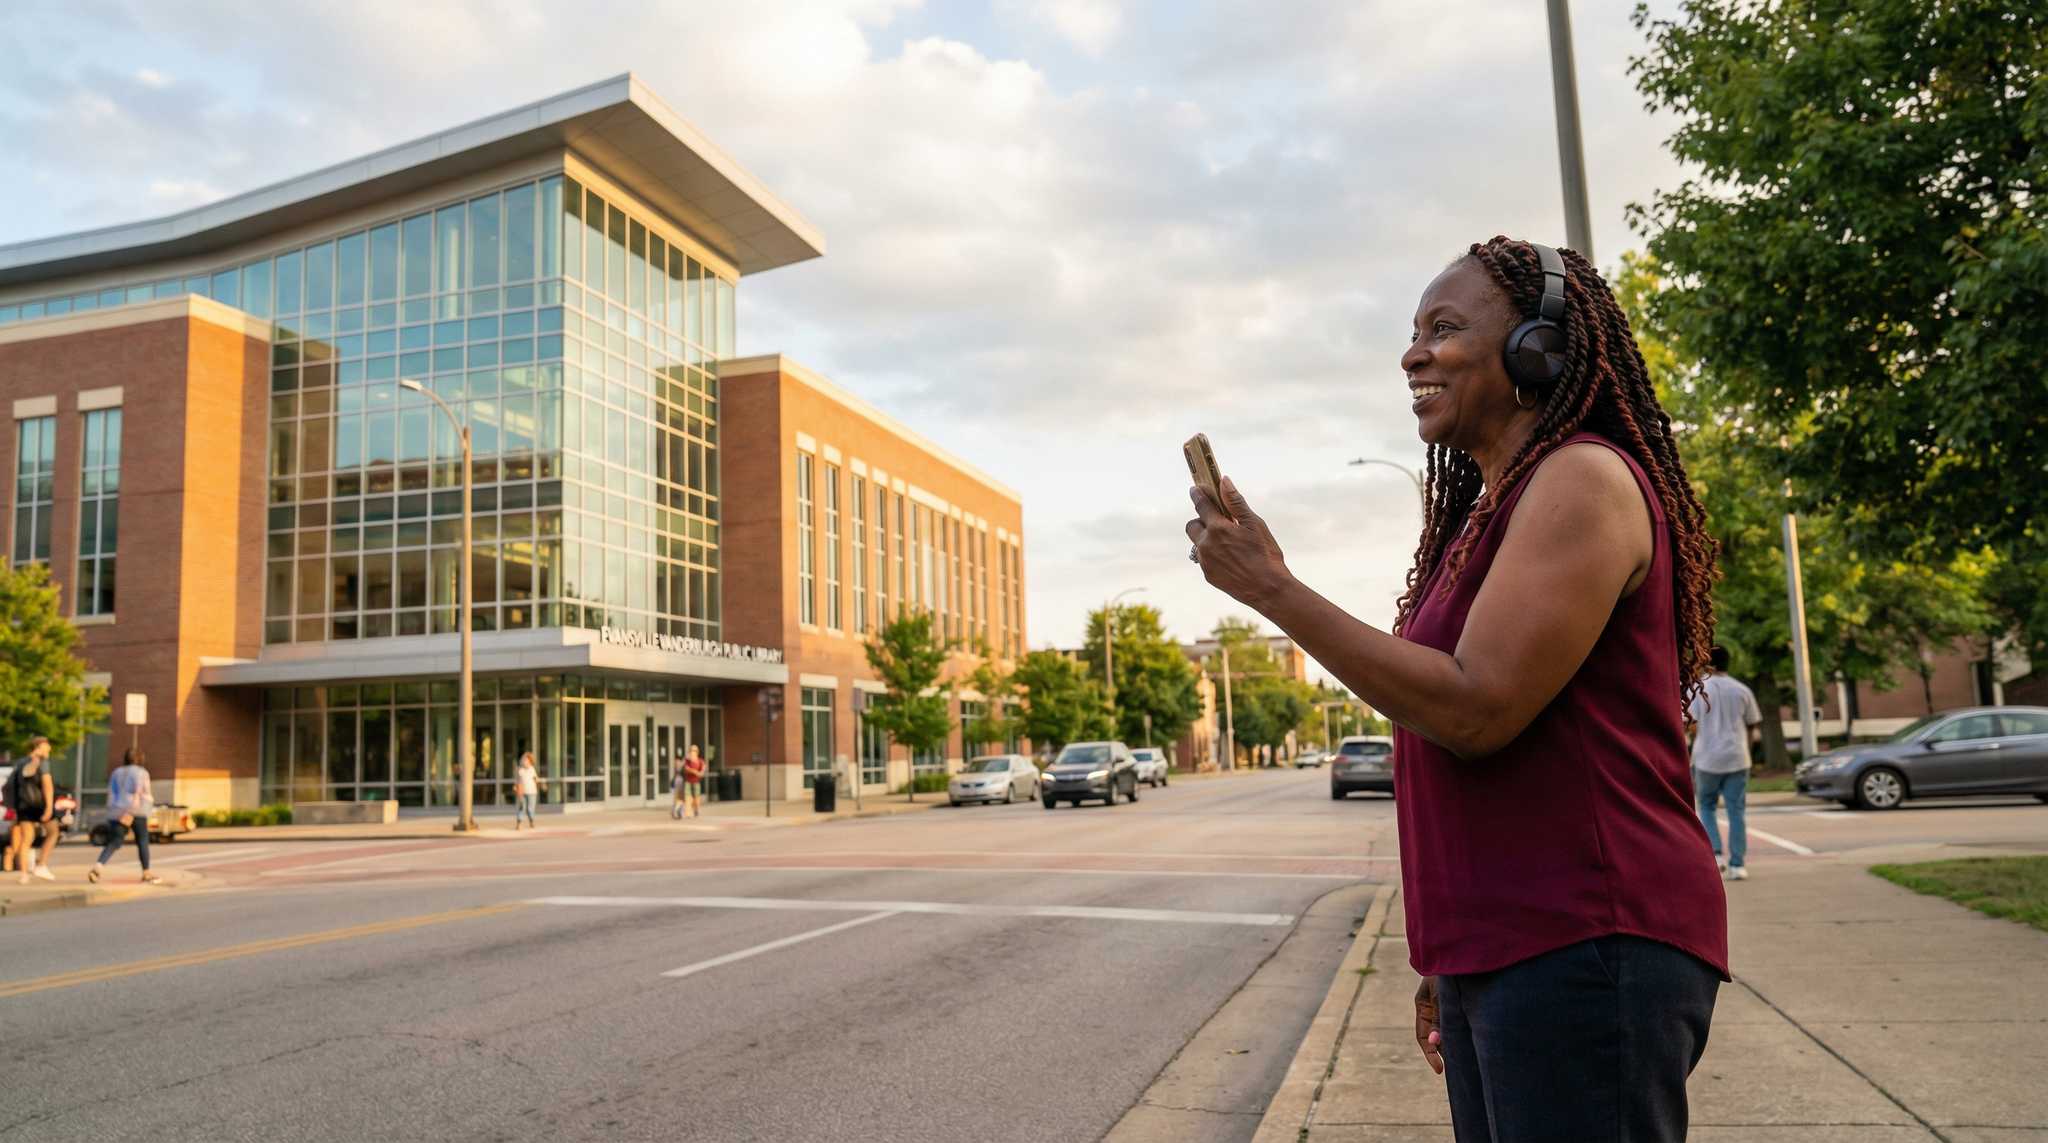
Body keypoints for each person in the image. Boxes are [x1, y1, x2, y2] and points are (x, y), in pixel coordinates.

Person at [1187, 237, 1728, 1142]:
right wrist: (1446, 951)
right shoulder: (1490, 514)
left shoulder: (1583, 479)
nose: (1413, 353)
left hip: (1589, 934)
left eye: (1444, 329)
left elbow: (1475, 707)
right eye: (1412, 332)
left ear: (1539, 347)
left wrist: (1272, 588)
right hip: (1510, 947)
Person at [1688, 645, 1763, 881]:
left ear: (1707, 663)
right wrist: (1747, 751)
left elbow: (1689, 723)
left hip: (1707, 757)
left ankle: (1716, 855)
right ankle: (1738, 865)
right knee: (1736, 810)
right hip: (1738, 757)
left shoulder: (1698, 689)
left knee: (1707, 807)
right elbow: (1752, 725)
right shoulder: (1742, 690)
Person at [88, 748, 161, 885]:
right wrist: (135, 810)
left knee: (114, 842)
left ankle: (98, 866)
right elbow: (140, 792)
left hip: (116, 812)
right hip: (136, 811)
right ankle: (146, 872)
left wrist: (113, 811)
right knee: (142, 841)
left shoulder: (116, 772)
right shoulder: (141, 773)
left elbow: (111, 793)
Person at [9, 737, 58, 883]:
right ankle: (41, 865)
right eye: (47, 746)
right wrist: (49, 808)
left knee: (26, 839)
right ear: (39, 746)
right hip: (39, 805)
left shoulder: (20, 763)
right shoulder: (43, 762)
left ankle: (24, 875)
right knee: (53, 832)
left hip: (23, 806)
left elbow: (12, 786)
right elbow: (47, 786)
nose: (49, 748)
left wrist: (13, 807)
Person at [512, 752, 543, 829]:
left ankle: (531, 821)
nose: (525, 762)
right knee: (522, 807)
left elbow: (536, 779)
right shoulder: (521, 770)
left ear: (530, 761)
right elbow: (517, 780)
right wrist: (516, 786)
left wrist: (540, 784)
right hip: (523, 792)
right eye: (524, 760)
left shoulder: (532, 769)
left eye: (527, 760)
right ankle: (518, 823)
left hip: (532, 792)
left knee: (530, 808)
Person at [677, 745, 707, 819]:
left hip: (696, 783)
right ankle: (688, 813)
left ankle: (696, 810)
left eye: (694, 750)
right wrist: (695, 772)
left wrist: (699, 772)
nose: (692, 752)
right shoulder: (687, 761)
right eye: (691, 750)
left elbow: (702, 771)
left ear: (697, 752)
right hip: (688, 782)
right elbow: (685, 768)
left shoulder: (700, 761)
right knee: (688, 798)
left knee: (696, 799)